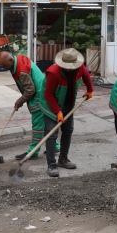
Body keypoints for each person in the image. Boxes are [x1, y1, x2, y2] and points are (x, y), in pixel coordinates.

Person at [38, 48, 94, 177]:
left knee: (68, 130)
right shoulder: (53, 72)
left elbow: (86, 76)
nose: (69, 69)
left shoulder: (80, 68)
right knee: (52, 134)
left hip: (68, 104)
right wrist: (57, 111)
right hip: (50, 105)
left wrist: (90, 89)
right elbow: (48, 95)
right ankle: (51, 165)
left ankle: (63, 159)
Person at [0, 51, 45, 165]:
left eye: (4, 66)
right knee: (45, 123)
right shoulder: (18, 59)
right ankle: (55, 146)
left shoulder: (21, 71)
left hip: (39, 95)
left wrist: (19, 101)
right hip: (42, 91)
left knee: (38, 125)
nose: (4, 68)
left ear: (11, 60)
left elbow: (30, 90)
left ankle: (33, 152)